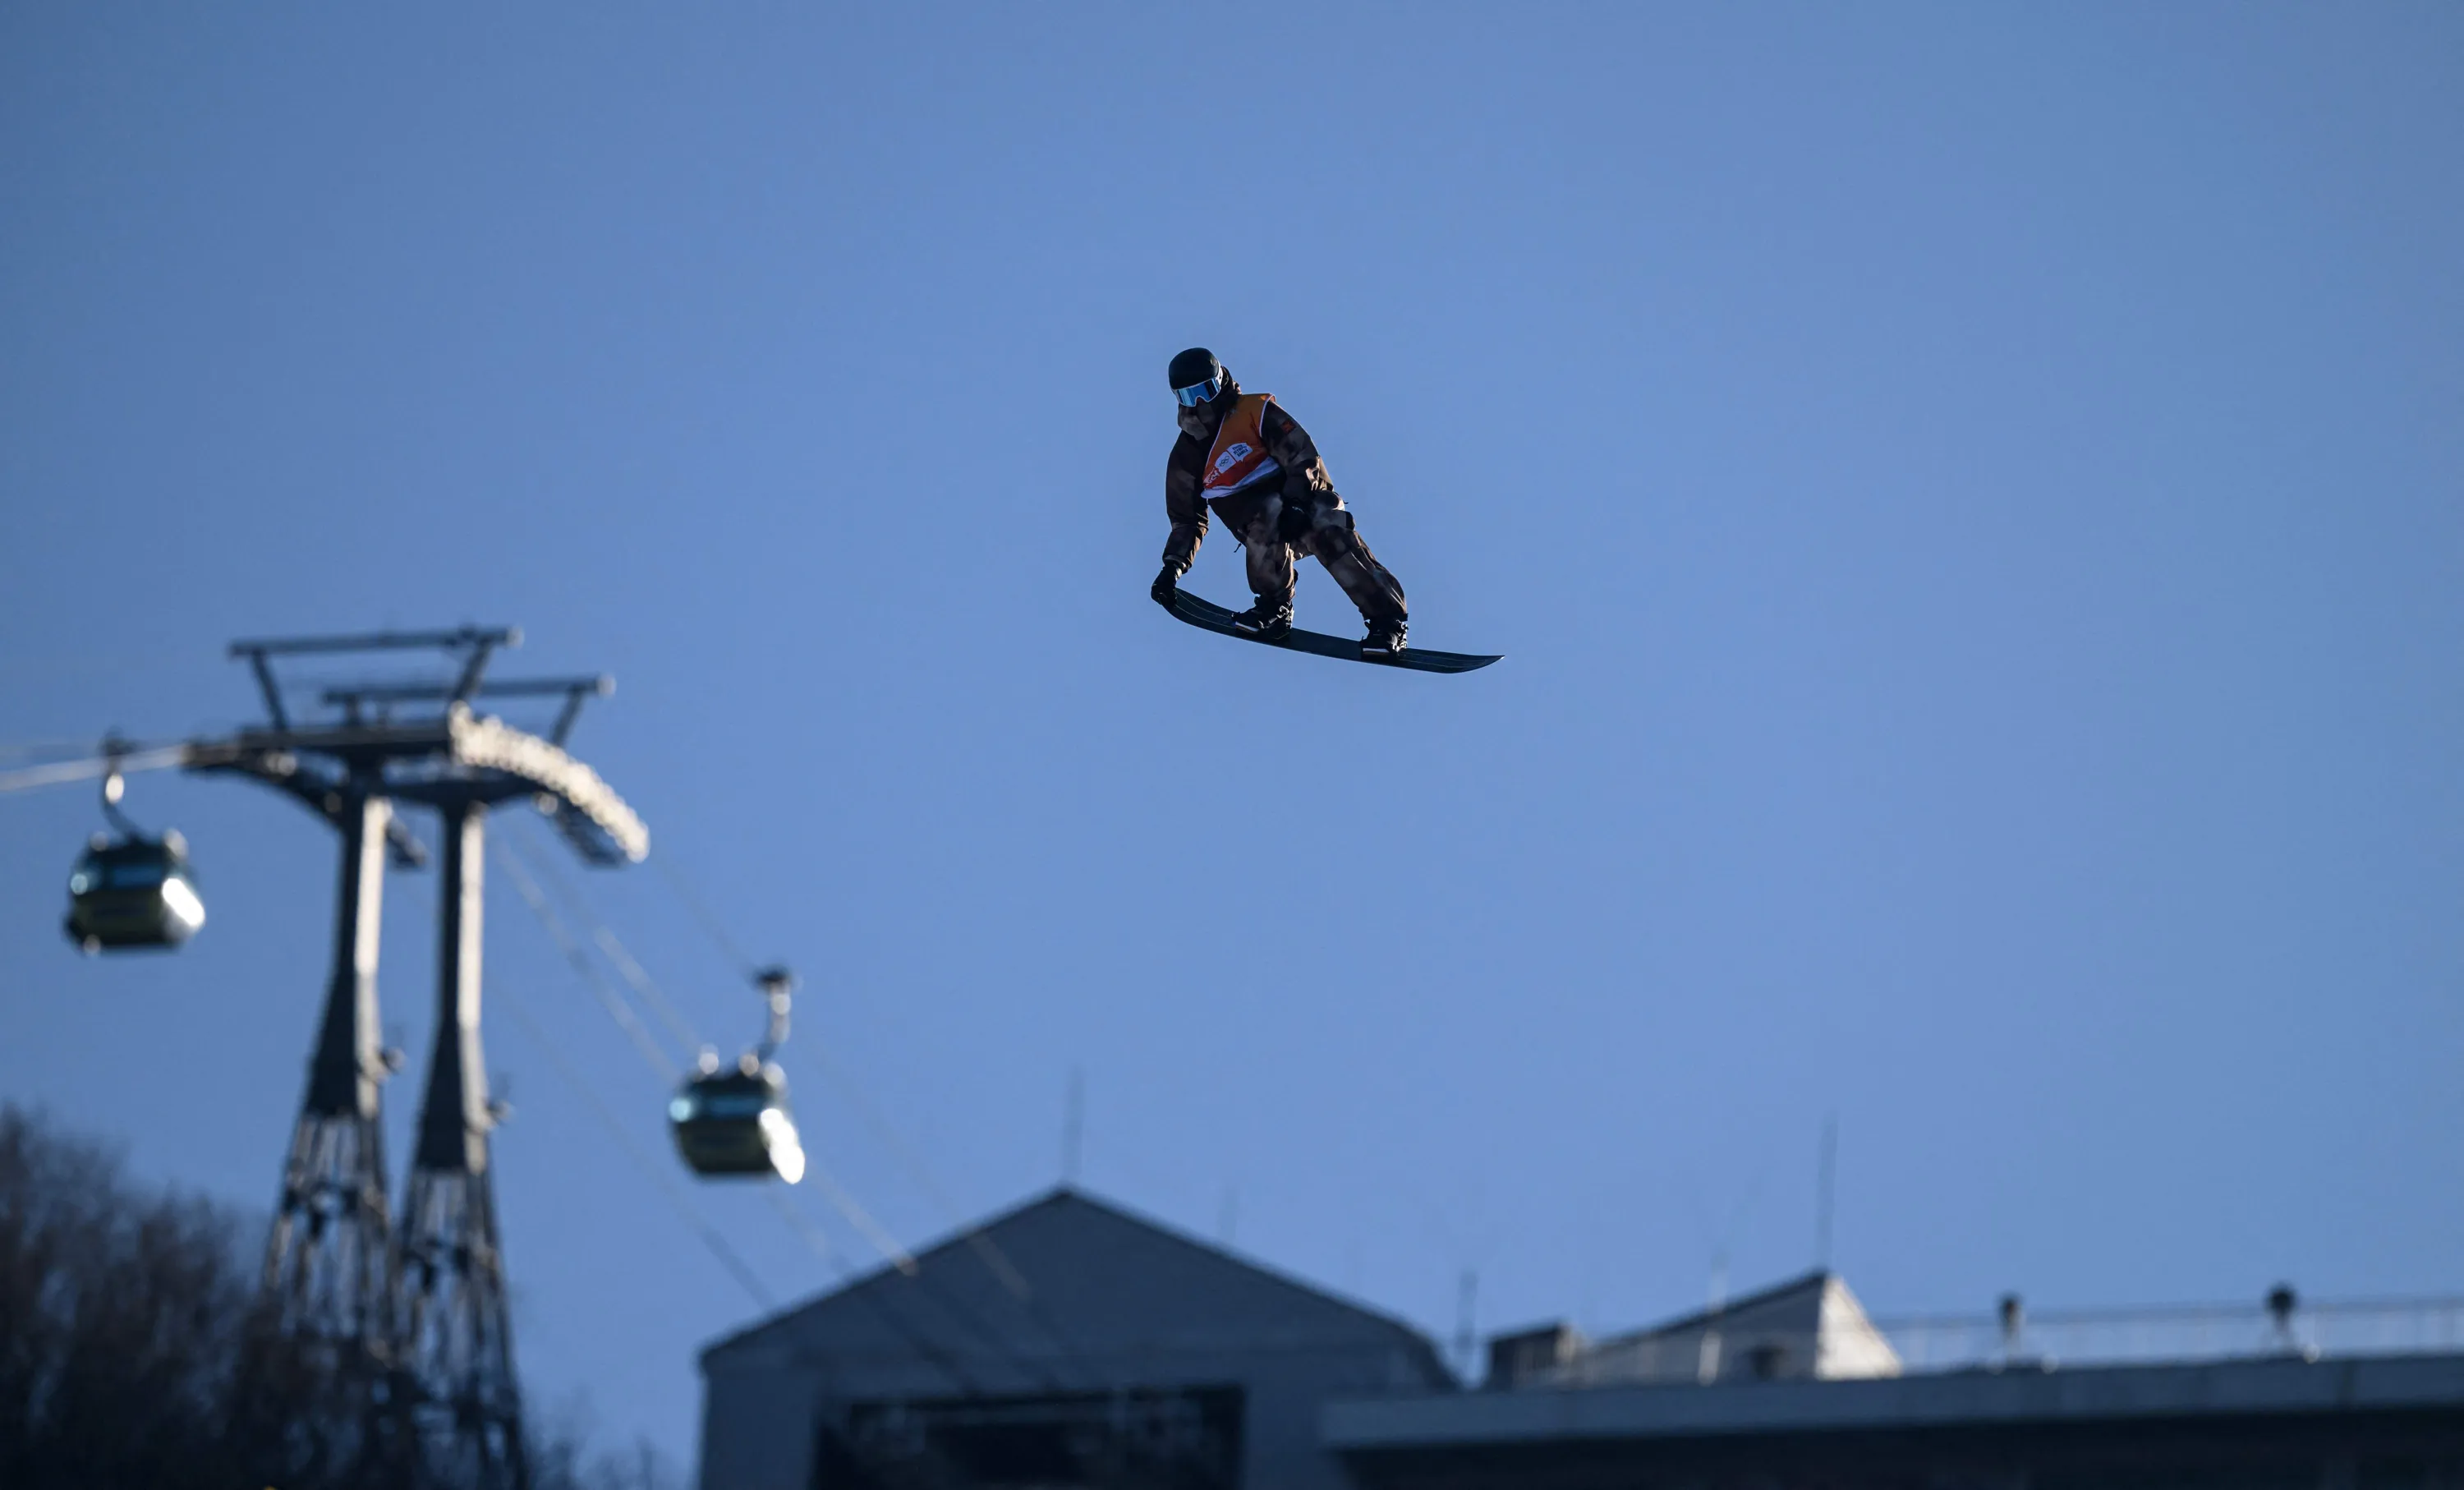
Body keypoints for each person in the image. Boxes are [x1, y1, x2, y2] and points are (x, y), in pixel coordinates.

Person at [1148, 347, 1409, 653]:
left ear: (1220, 382)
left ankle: (1387, 623)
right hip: (1261, 525)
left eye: (1206, 391)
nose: (1200, 404)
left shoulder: (1254, 414)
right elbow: (1187, 519)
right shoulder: (1188, 456)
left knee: (1326, 527)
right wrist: (1172, 568)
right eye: (1189, 397)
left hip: (1303, 505)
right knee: (1266, 514)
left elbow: (1302, 456)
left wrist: (1297, 504)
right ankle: (1274, 607)